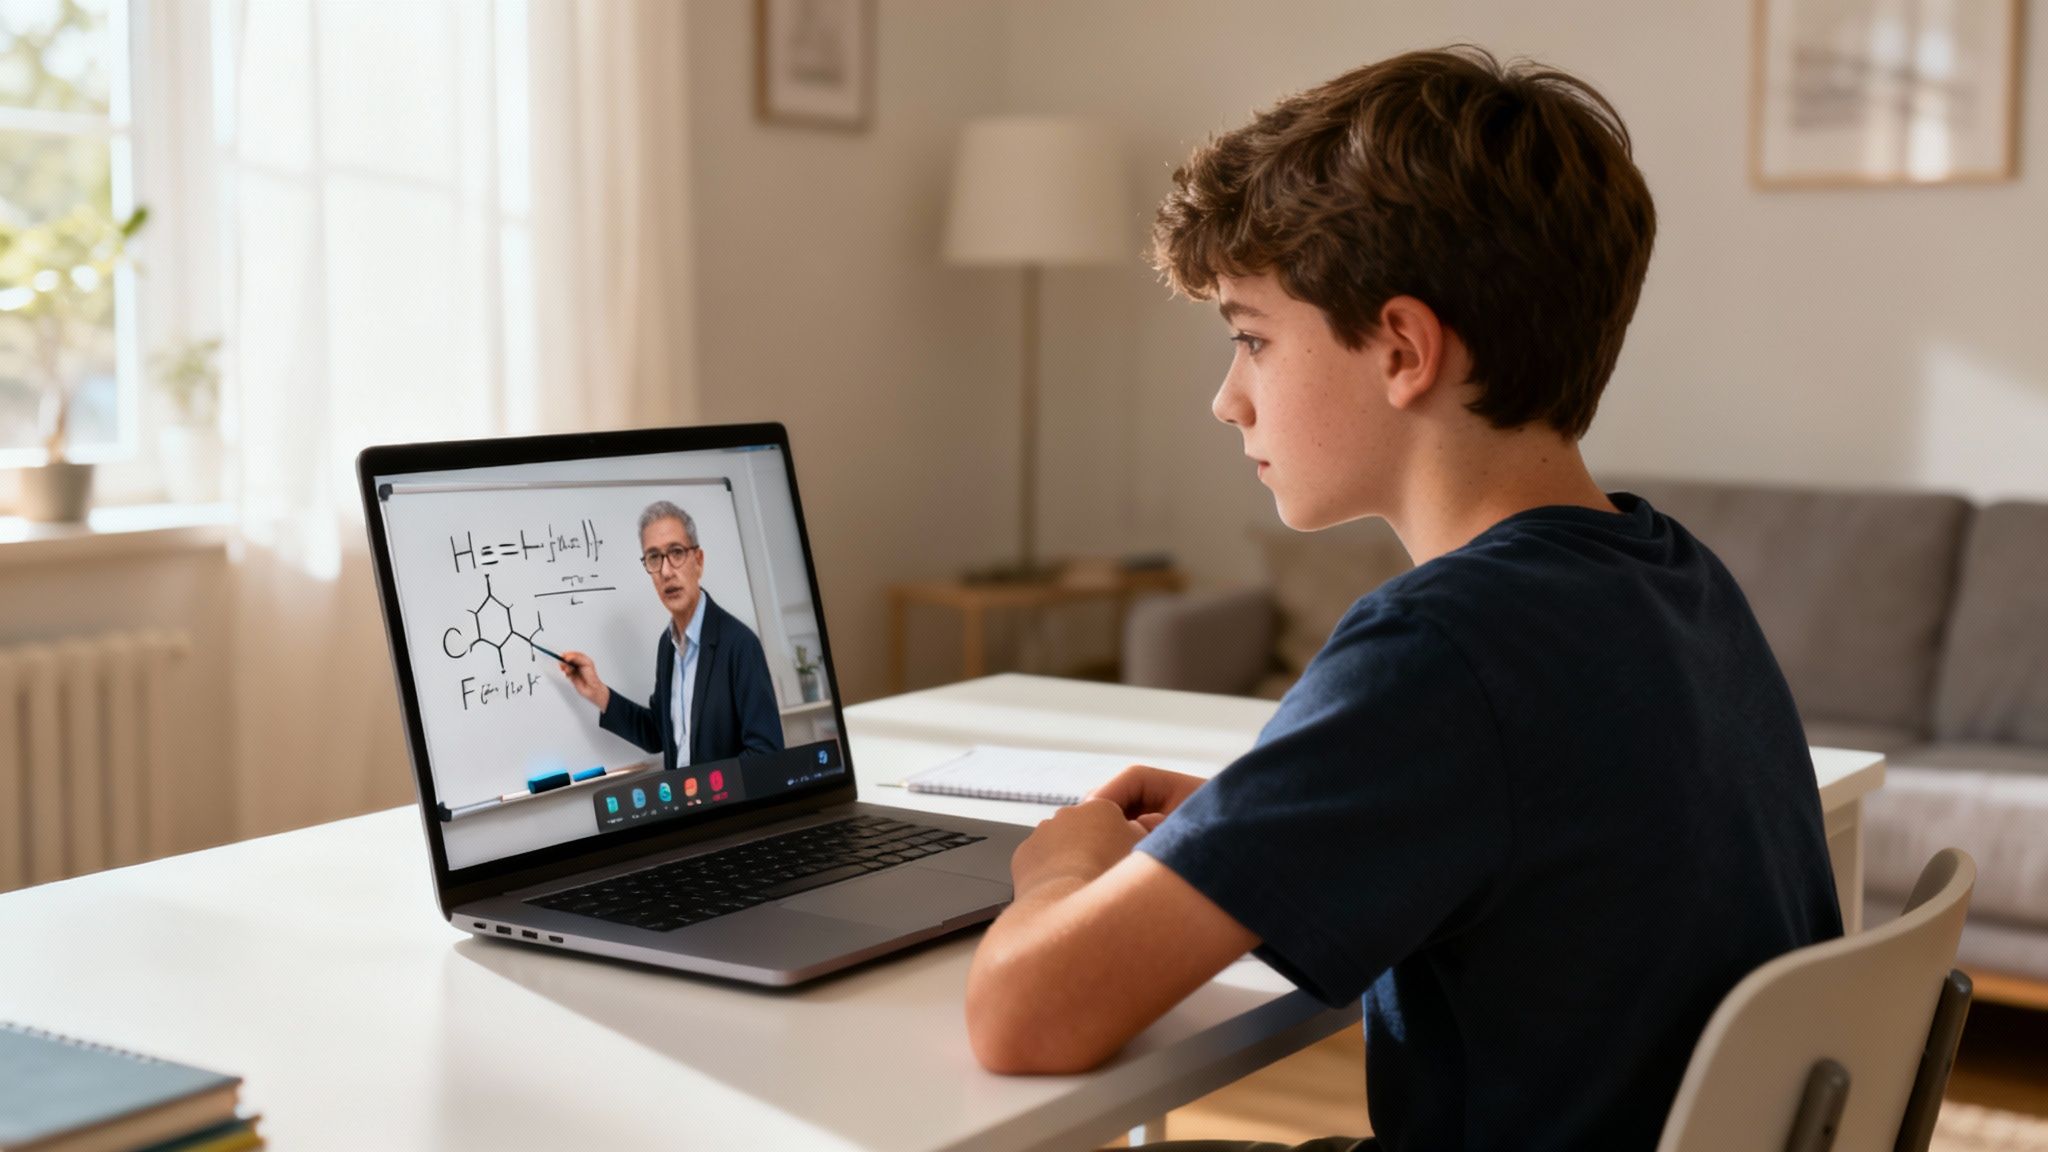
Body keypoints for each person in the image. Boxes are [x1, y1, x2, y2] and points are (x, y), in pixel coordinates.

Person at [962, 47, 1842, 1152]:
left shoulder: (1441, 650)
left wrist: (1060, 872)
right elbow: (1530, 821)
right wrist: (1256, 833)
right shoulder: (1670, 575)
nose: (1224, 399)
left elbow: (1020, 1018)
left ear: (1400, 349)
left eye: (1249, 338)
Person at [559, 500, 783, 772]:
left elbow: (767, 756)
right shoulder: (667, 646)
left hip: (725, 811)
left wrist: (706, 793)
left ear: (698, 561)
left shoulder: (740, 644)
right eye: (654, 557)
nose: (666, 571)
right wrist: (599, 693)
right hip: (685, 808)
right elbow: (658, 733)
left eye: (676, 552)